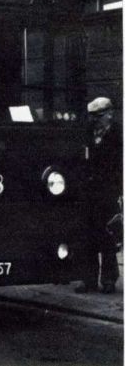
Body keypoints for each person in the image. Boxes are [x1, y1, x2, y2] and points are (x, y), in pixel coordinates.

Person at [76, 97, 123, 293]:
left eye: (98, 116)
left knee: (108, 235)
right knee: (88, 236)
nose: (94, 120)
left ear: (108, 114)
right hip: (89, 192)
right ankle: (88, 279)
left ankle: (109, 279)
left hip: (108, 191)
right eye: (92, 117)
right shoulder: (88, 132)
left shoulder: (118, 133)